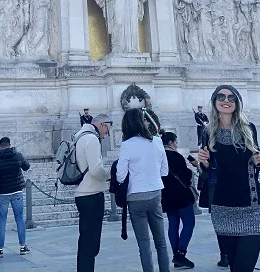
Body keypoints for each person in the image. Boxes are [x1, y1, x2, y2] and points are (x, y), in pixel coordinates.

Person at [198, 85, 260, 272]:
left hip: (251, 206)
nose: (226, 101)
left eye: (231, 98)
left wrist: (258, 159)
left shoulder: (249, 129)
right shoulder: (207, 132)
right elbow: (209, 171)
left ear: (237, 103)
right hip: (224, 207)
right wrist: (203, 163)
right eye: (221, 97)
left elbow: (254, 163)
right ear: (214, 102)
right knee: (235, 268)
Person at [116, 108, 170, 272]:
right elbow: (164, 171)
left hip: (135, 197)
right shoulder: (157, 141)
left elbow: (120, 176)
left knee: (144, 244)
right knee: (160, 241)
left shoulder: (126, 145)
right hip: (155, 193)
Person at [74, 113, 112, 272]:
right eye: (107, 129)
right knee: (90, 242)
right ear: (102, 124)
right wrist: (111, 174)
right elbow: (96, 170)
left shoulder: (80, 137)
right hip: (91, 195)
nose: (107, 134)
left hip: (83, 193)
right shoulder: (91, 139)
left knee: (86, 240)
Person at [0, 136, 30, 257]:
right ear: (10, 144)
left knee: (1, 220)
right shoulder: (18, 155)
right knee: (19, 218)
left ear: (0, 145)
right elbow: (26, 167)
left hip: (3, 192)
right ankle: (23, 246)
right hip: (16, 191)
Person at [161, 131, 196, 269]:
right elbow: (186, 176)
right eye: (175, 141)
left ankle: (176, 255)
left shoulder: (160, 157)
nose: (176, 144)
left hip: (167, 197)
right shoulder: (177, 156)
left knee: (173, 225)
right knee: (189, 223)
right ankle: (181, 253)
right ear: (170, 142)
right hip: (181, 196)